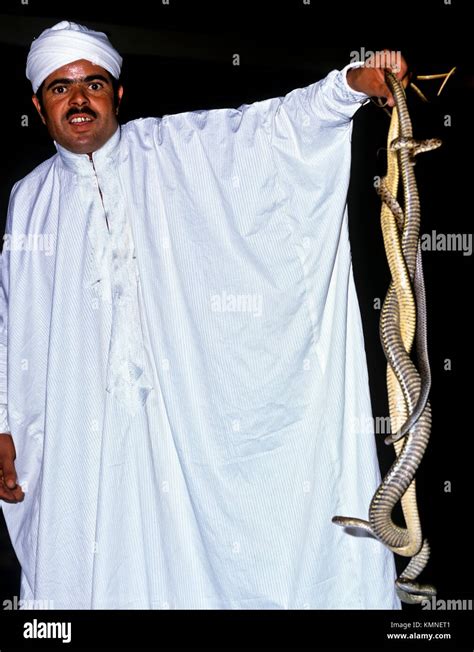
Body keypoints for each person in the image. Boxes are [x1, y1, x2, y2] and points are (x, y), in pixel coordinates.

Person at [0, 21, 407, 609]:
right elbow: (13, 315)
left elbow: (275, 130)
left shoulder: (172, 150)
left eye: (93, 83)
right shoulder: (29, 197)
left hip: (180, 417)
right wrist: (5, 420)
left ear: (118, 95)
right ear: (39, 108)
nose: (79, 99)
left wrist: (351, 85)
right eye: (61, 89)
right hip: (72, 427)